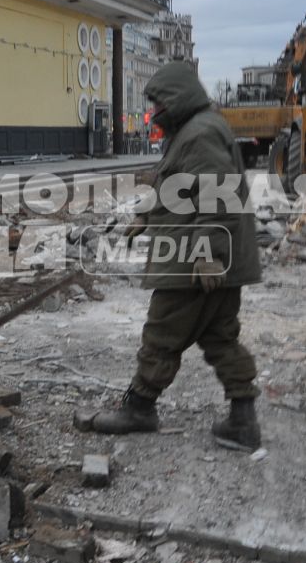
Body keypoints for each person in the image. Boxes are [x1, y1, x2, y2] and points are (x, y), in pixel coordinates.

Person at [77, 62, 264, 450]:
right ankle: (243, 422)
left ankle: (140, 408)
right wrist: (147, 213)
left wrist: (208, 252)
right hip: (213, 259)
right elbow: (180, 183)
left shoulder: (199, 133)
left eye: (159, 102)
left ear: (177, 98)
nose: (155, 111)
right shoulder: (194, 131)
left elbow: (216, 191)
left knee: (162, 333)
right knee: (219, 336)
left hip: (192, 261)